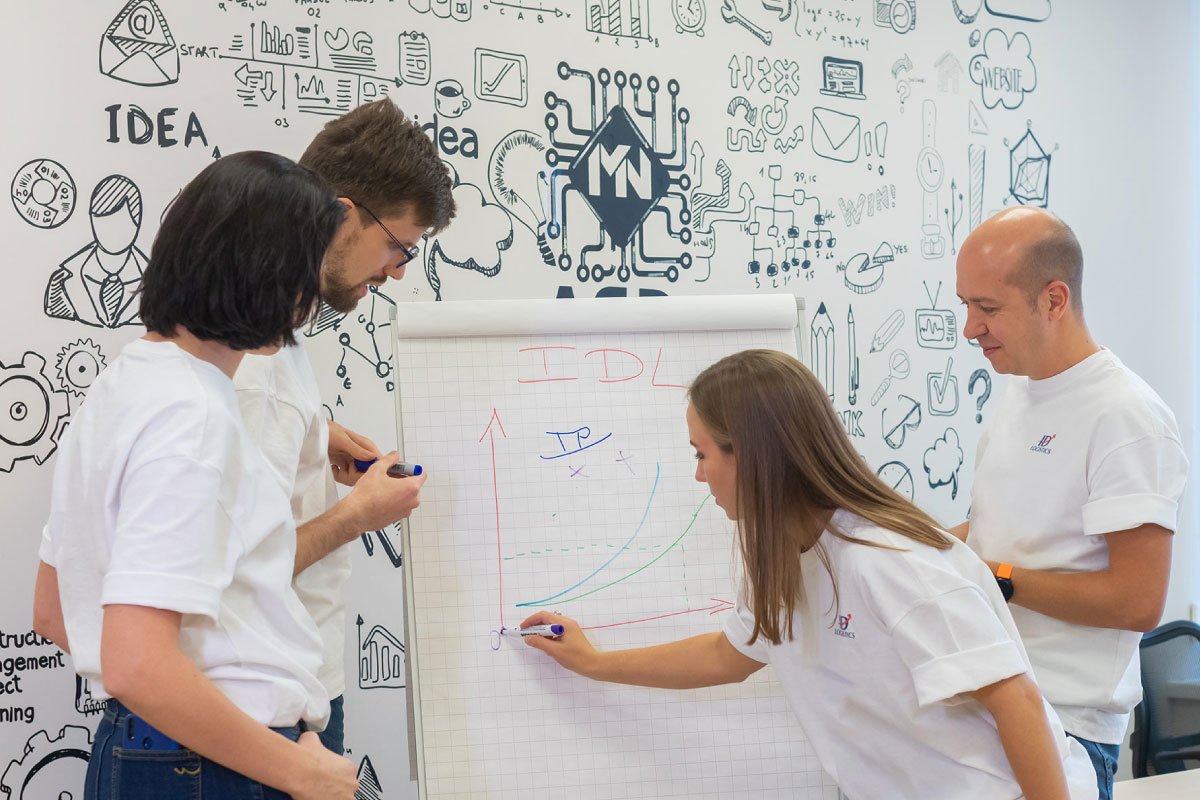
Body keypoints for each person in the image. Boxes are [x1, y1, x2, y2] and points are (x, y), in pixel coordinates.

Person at [520, 349, 1097, 800]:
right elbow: (729, 656)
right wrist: (595, 663)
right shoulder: (780, 550)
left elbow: (1014, 698)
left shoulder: (887, 561)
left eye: (701, 455)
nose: (698, 476)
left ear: (750, 454)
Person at [33, 151, 358, 800]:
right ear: (271, 276)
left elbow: (53, 609)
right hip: (210, 767)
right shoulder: (194, 412)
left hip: (164, 756)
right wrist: (299, 770)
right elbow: (135, 662)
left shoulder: (125, 383)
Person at [233, 97, 455, 754]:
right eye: (397, 246)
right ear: (342, 214)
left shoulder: (276, 348)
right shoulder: (250, 367)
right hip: (262, 713)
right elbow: (232, 574)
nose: (397, 272)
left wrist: (312, 432)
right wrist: (360, 513)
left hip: (287, 695)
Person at [953, 207, 1188, 798]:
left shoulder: (1125, 415)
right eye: (966, 306)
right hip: (993, 706)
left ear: (1054, 300)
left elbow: (1137, 602)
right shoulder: (1019, 395)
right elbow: (996, 534)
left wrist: (996, 579)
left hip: (1066, 728)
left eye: (988, 308)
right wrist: (907, 546)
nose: (970, 329)